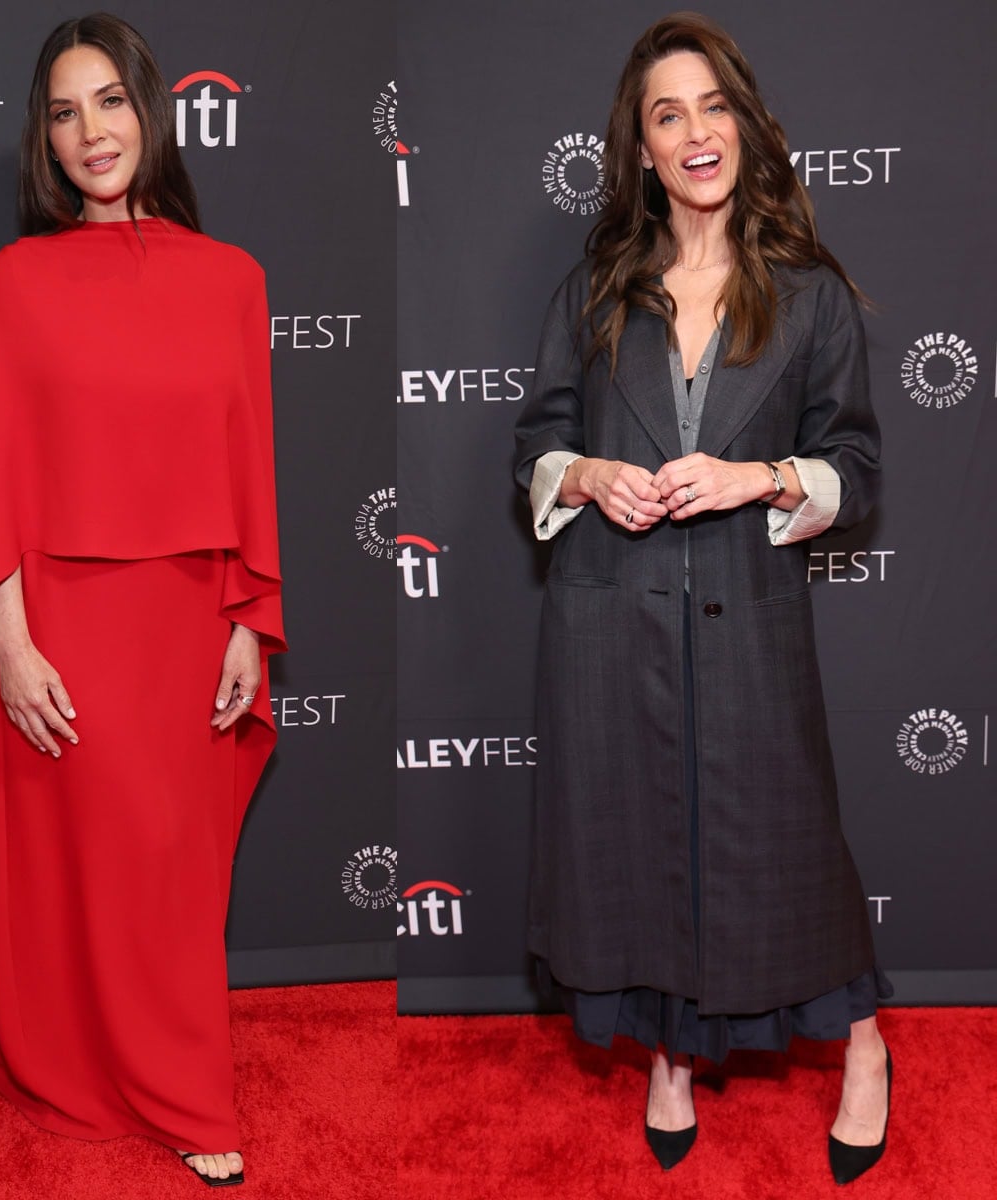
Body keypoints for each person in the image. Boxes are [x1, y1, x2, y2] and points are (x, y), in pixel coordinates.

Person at [513, 13, 890, 1184]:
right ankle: (670, 1057)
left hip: (748, 615)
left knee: (790, 846)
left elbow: (857, 471)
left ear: (744, 123)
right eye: (666, 113)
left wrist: (758, 476)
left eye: (711, 105)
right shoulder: (595, 290)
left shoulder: (810, 296)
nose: (694, 131)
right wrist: (586, 474)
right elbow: (535, 444)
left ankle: (865, 1047)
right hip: (609, 615)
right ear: (642, 148)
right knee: (635, 844)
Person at [0, 13, 283, 1188]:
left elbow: (250, 462)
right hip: (61, 621)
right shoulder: (17, 281)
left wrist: (249, 621)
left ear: (150, 110)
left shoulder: (232, 278)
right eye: (64, 111)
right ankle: (63, 1055)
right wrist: (11, 639)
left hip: (186, 615)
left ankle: (181, 1086)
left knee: (170, 869)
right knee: (68, 858)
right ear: (44, 139)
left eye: (110, 101)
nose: (91, 131)